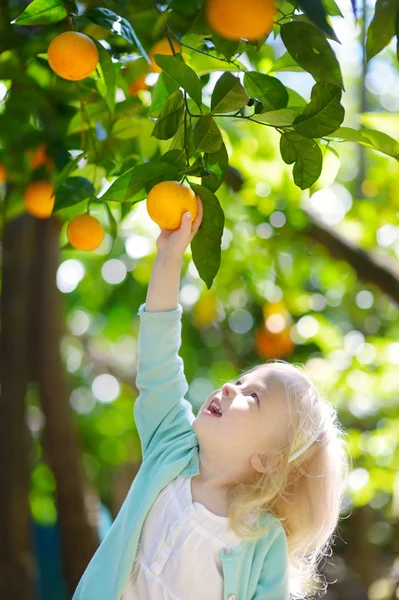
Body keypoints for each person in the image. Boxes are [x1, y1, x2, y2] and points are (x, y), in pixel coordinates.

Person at [73, 195, 349, 600]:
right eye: (240, 381)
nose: (229, 387)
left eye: (252, 397)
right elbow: (159, 359)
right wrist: (170, 256)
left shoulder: (261, 539)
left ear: (268, 460)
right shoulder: (170, 446)